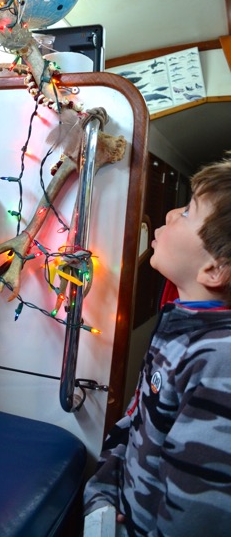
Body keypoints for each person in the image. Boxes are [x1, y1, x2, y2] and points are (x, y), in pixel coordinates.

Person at [84, 152, 231, 536]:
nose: (168, 214)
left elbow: (195, 513)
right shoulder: (178, 327)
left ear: (214, 269)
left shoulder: (219, 361)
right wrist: (104, 490)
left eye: (187, 212)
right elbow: (136, 421)